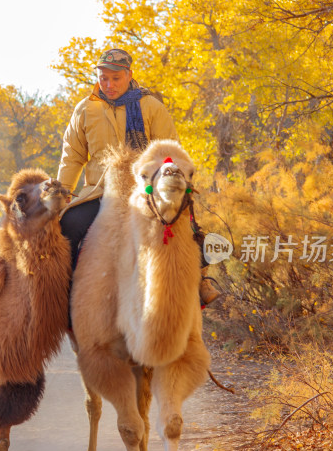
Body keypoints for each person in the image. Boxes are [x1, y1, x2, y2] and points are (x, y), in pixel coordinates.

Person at [57, 48, 220, 305]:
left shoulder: (151, 107)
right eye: (103, 78)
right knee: (67, 226)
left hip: (145, 193)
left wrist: (168, 186)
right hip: (100, 193)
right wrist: (64, 192)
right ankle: (66, 303)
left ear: (129, 74)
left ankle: (198, 285)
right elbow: (73, 154)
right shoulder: (85, 109)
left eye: (115, 78)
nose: (108, 85)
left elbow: (170, 152)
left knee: (184, 229)